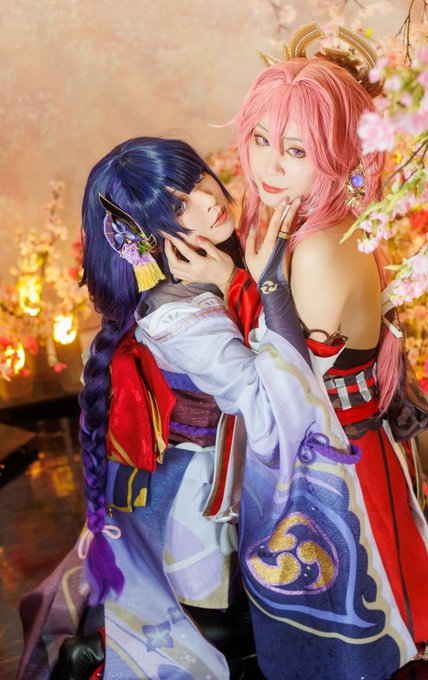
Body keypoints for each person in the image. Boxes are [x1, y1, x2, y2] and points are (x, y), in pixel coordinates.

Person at [18, 135, 417, 680]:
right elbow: (276, 406)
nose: (208, 200)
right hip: (206, 491)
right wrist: (251, 282)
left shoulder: (213, 261)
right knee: (274, 611)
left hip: (238, 463)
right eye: (179, 206)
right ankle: (101, 650)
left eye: (198, 179)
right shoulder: (179, 317)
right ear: (141, 240)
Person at [165, 23, 428, 677]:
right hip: (328, 448)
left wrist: (250, 283)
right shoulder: (315, 226)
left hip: (335, 465)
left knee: (345, 631)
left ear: (340, 153)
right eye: (260, 140)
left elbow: (290, 386)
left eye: (295, 150)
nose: (269, 167)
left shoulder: (316, 249)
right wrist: (245, 278)